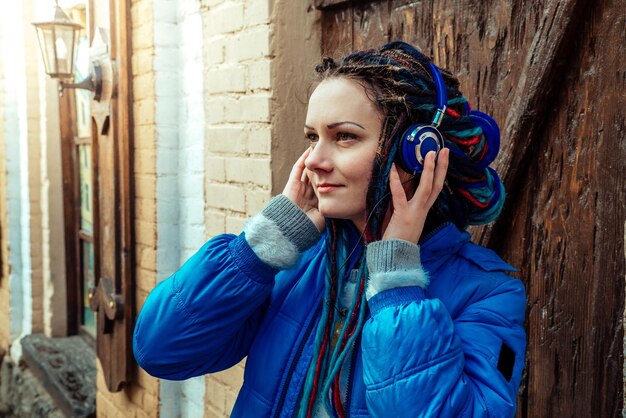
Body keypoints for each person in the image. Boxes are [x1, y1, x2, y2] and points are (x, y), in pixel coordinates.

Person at [133, 41, 527, 417]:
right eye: (313, 137)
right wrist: (262, 246)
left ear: (418, 152)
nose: (313, 160)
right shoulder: (290, 262)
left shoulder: (490, 293)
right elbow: (161, 350)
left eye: (344, 137)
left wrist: (398, 286)